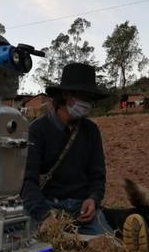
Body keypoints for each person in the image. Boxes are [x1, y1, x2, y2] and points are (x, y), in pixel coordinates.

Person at [21, 62, 113, 235]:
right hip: (45, 206)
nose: (87, 103)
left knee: (107, 244)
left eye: (90, 99)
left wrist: (93, 199)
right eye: (83, 97)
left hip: (81, 210)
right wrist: (44, 215)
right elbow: (27, 181)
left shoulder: (91, 131)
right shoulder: (36, 131)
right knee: (35, 247)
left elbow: (97, 175)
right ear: (65, 94)